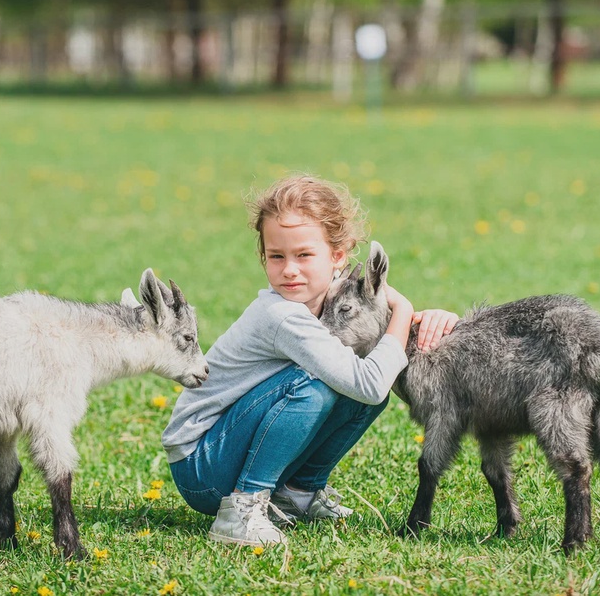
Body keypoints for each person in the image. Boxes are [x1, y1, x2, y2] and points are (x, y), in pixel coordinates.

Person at [161, 174, 459, 546]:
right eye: (276, 256)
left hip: (227, 451)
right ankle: (243, 508)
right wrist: (405, 308)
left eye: (304, 255)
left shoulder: (333, 299)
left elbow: (373, 337)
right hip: (202, 466)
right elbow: (369, 382)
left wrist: (434, 318)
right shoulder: (281, 314)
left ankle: (298, 493)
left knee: (364, 380)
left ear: (337, 256)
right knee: (323, 383)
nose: (289, 269)